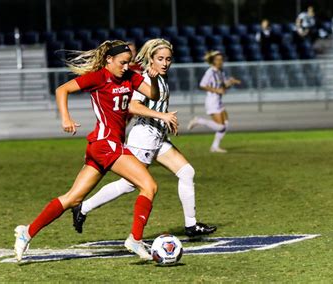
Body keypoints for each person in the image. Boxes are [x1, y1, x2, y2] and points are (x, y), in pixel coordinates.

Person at [13, 40, 176, 262]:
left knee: (72, 198)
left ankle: (27, 232)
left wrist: (155, 79)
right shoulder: (99, 78)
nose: (126, 67)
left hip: (104, 146)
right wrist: (66, 118)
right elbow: (62, 89)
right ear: (109, 60)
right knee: (149, 185)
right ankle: (135, 240)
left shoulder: (130, 76)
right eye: (122, 62)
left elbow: (153, 95)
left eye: (128, 63)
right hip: (106, 144)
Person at [71, 39, 217, 238]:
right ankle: (83, 208)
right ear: (150, 59)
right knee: (129, 184)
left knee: (186, 172)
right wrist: (162, 116)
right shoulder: (146, 78)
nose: (165, 63)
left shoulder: (160, 77)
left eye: (168, 59)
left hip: (158, 137)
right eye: (160, 59)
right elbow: (133, 106)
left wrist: (165, 121)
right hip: (144, 138)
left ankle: (191, 225)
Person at [187, 51, 240, 153]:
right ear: (214, 61)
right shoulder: (210, 72)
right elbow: (202, 85)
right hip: (212, 101)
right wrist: (217, 90)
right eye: (218, 59)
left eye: (221, 59)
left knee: (226, 124)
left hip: (218, 101)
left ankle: (215, 146)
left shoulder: (220, 72)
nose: (220, 61)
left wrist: (231, 82)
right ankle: (198, 120)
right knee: (220, 126)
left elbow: (223, 86)